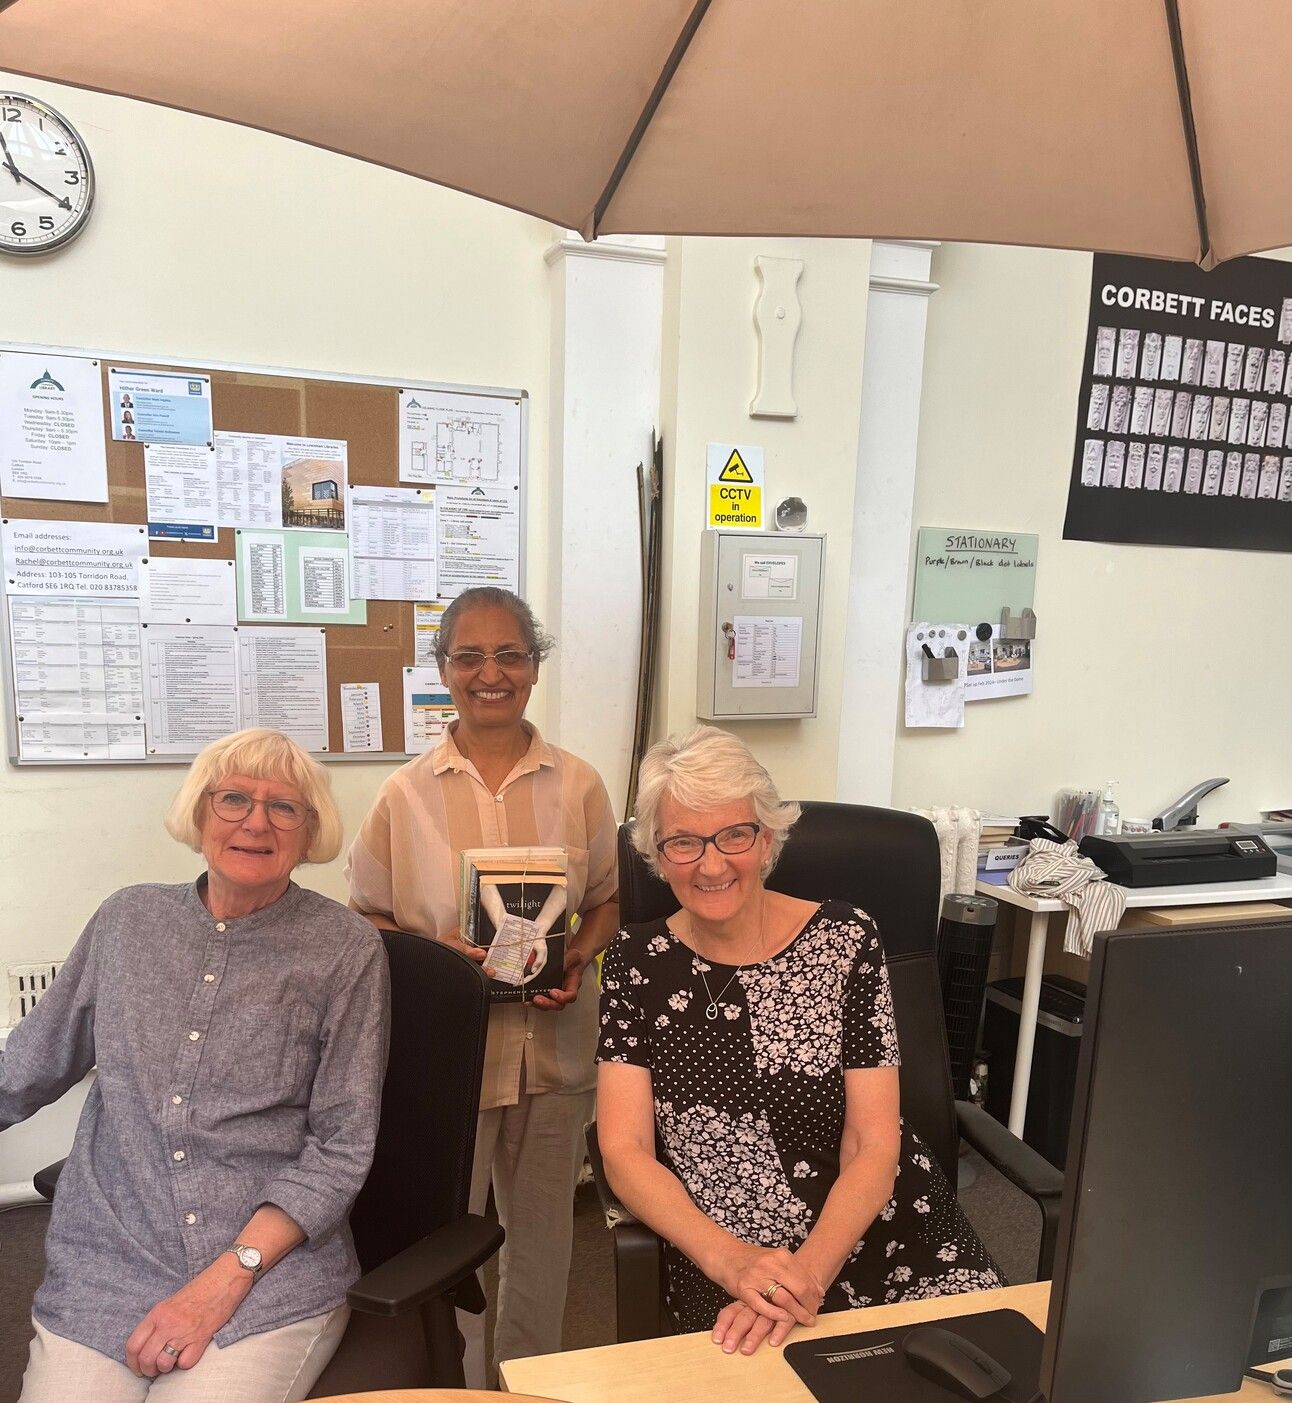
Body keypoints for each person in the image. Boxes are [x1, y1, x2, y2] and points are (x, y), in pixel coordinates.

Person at [1, 728, 390, 1402]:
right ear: (201, 810)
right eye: (234, 798)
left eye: (284, 807)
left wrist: (228, 1275)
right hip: (110, 1260)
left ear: (309, 832)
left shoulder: (344, 949)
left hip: (267, 1275)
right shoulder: (127, 921)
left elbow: (341, 1146)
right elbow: (27, 1063)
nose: (255, 821)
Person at [596, 726, 1003, 1356]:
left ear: (766, 838)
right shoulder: (634, 961)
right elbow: (624, 1150)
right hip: (729, 1256)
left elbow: (873, 1140)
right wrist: (733, 1264)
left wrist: (808, 1273)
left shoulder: (845, 939)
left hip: (874, 1232)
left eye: (735, 834)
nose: (711, 864)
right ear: (656, 853)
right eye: (683, 842)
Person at [347, 586, 618, 1383]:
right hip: (450, 1064)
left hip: (557, 1051)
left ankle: (527, 1384)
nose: (489, 672)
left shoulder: (580, 786)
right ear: (444, 669)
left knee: (545, 1243)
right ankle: (455, 1388)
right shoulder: (404, 793)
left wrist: (576, 956)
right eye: (469, 655)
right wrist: (439, 958)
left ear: (534, 667)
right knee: (446, 1250)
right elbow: (364, 918)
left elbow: (605, 903)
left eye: (510, 654)